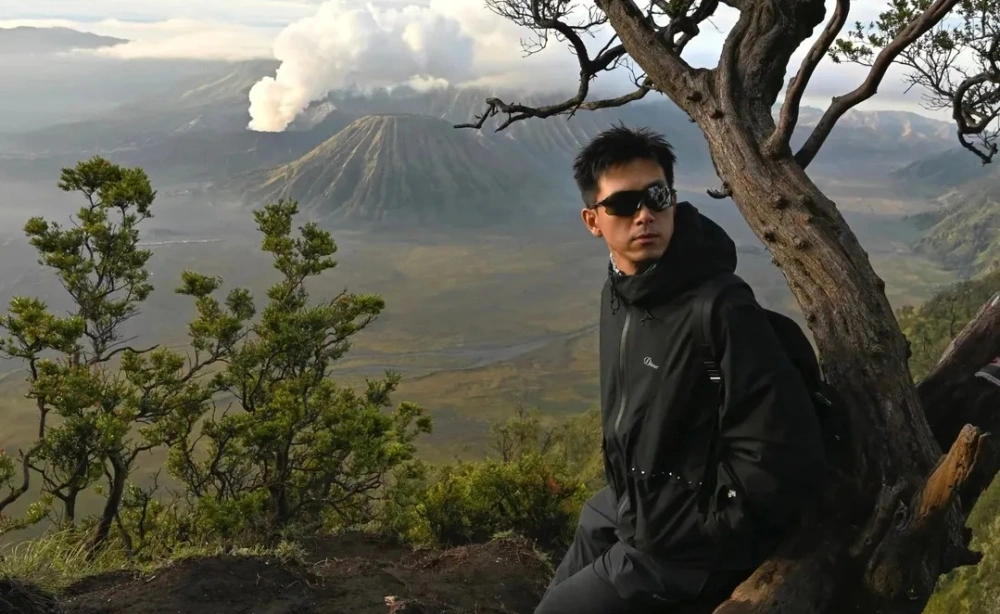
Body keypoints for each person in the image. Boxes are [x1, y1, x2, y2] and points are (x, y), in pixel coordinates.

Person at [534, 126, 827, 614]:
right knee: (586, 533)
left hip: (691, 540)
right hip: (645, 502)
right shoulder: (620, 293)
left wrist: (695, 527)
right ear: (593, 220)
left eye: (657, 196)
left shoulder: (719, 307)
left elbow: (780, 458)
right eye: (624, 204)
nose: (645, 214)